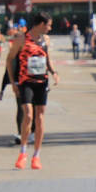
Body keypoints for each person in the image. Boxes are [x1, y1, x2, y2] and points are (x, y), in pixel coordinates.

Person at [7, 11, 58, 169]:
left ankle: (36, 155)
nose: (50, 28)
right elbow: (10, 59)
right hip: (25, 81)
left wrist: (54, 72)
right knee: (28, 114)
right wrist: (12, 82)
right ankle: (23, 152)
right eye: (49, 25)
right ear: (41, 24)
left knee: (40, 118)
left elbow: (47, 57)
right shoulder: (21, 39)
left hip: (41, 82)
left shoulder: (46, 40)